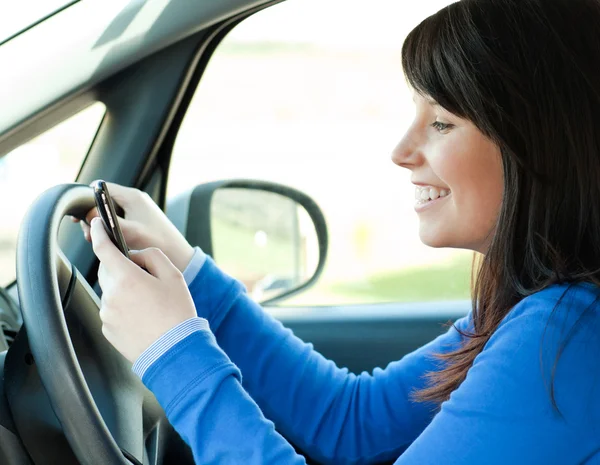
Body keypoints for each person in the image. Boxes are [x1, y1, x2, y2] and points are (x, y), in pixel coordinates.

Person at [73, 0, 600, 463]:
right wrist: (187, 269)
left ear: (536, 141)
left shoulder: (569, 335)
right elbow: (352, 422)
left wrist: (173, 354)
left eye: (441, 122)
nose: (401, 151)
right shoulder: (529, 306)